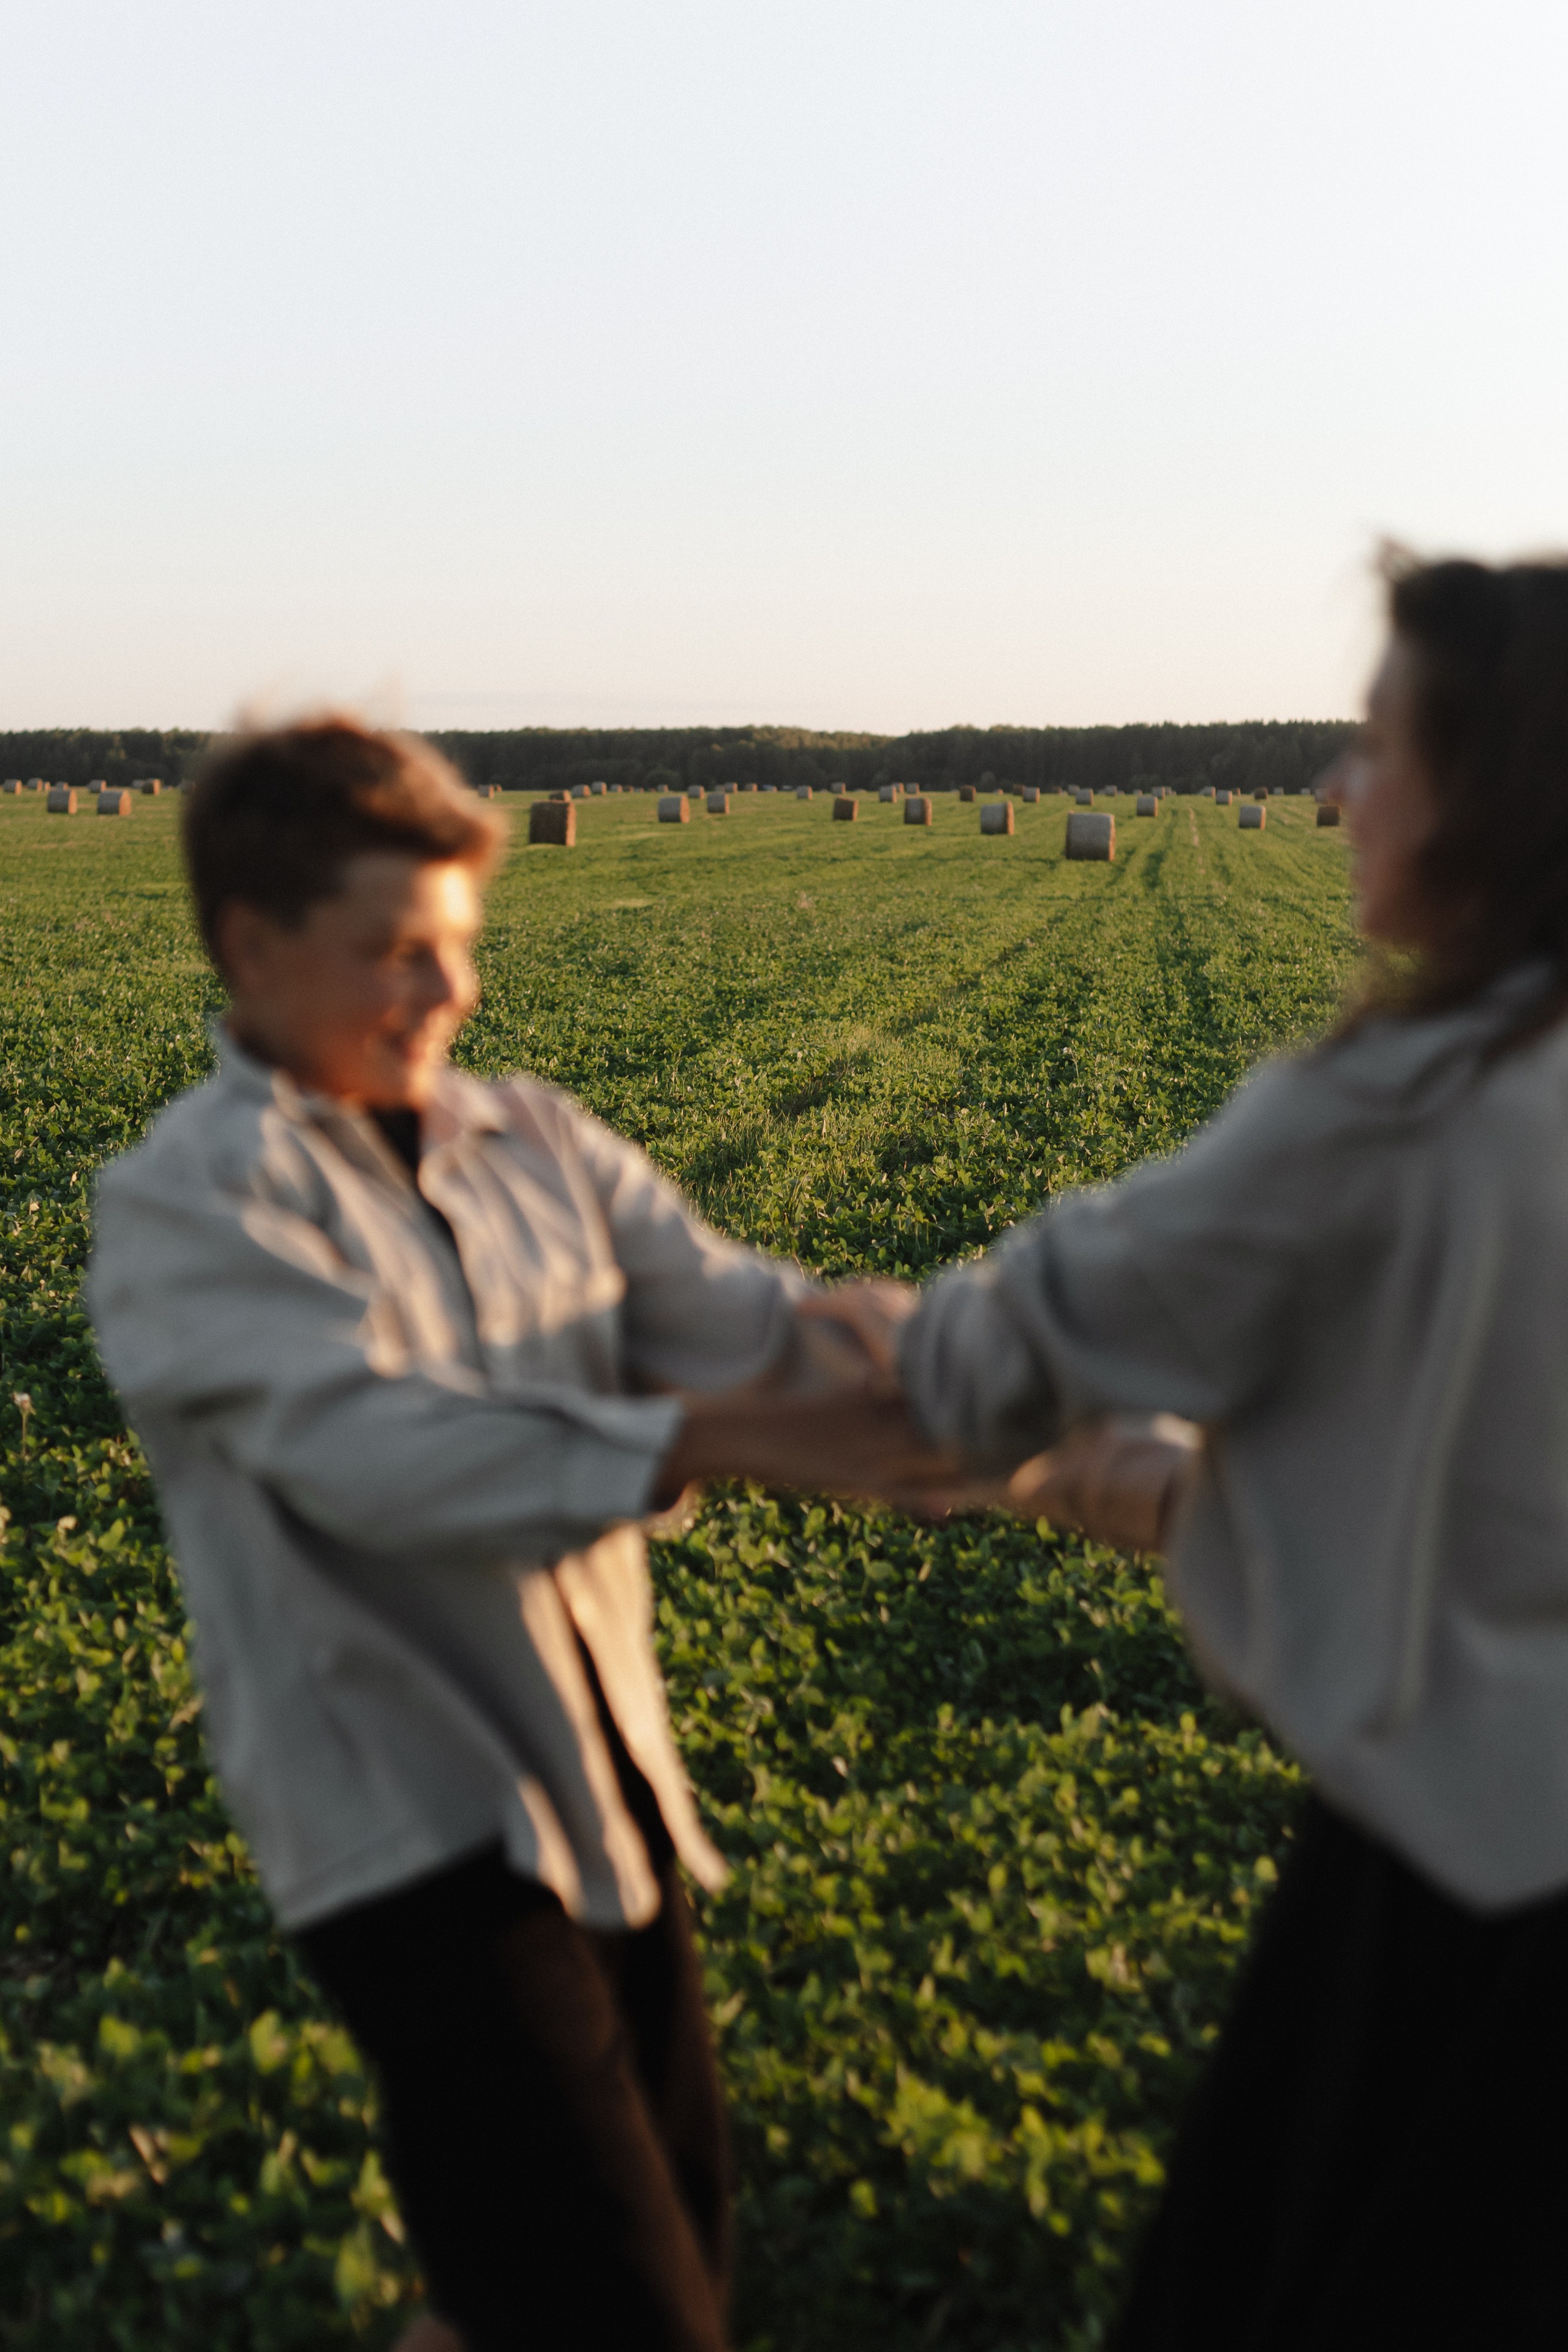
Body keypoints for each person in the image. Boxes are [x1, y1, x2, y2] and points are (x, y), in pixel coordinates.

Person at [86, 718, 944, 2352]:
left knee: (636, 2259)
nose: (446, 995)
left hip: (602, 1778)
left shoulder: (532, 1139)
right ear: (251, 946)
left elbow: (753, 1322)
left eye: (459, 949)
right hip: (410, 1832)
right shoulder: (190, 1206)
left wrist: (1002, 1394)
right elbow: (384, 1454)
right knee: (621, 2313)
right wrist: (705, 1439)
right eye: (395, 953)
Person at [826, 552, 1568, 2345]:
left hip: (1476, 1916)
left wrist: (692, 1388)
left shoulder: (1396, 1113)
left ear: (1493, 789)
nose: (1335, 788)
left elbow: (998, 1361)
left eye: (1380, 744)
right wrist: (1184, 1487)